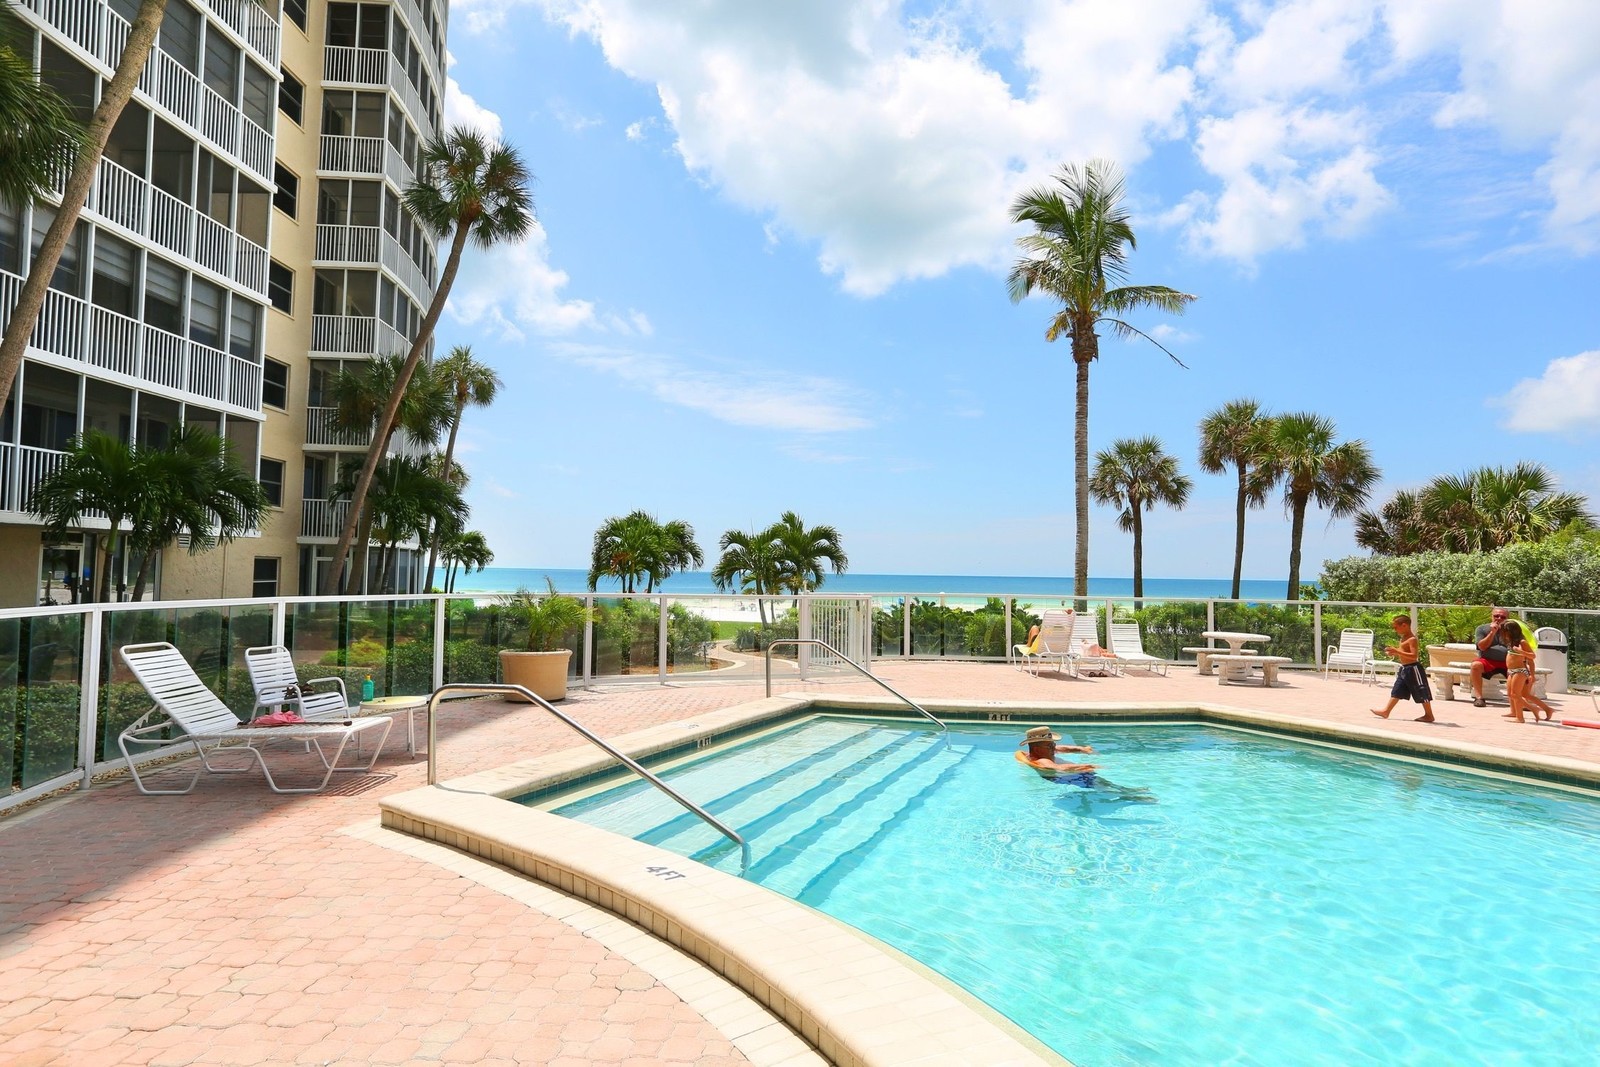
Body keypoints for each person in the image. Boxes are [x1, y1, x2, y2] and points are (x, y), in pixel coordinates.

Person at [1371, 615, 1435, 723]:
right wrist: (1394, 653)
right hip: (1405, 669)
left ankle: (1429, 715)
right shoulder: (1403, 638)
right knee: (1397, 689)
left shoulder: (1412, 639)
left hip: (1413, 669)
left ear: (1404, 625)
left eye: (1396, 627)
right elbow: (1403, 653)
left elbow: (1414, 656)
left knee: (1421, 690)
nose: (1395, 630)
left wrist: (1397, 651)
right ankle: (1386, 711)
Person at [1502, 621, 1556, 723]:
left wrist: (1521, 652)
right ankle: (1547, 709)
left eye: (1505, 631)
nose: (1504, 634)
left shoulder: (1522, 642)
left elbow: (1532, 656)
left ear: (1511, 631)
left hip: (1520, 671)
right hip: (1511, 671)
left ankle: (1525, 714)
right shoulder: (1511, 642)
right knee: (1517, 694)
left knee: (1515, 694)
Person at [1469, 607, 1513, 707]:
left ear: (1507, 618)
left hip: (1508, 661)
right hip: (1488, 660)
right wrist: (1492, 632)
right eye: (1496, 616)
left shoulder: (1512, 630)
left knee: (1522, 670)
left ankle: (1521, 701)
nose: (1499, 618)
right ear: (1491, 616)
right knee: (1475, 665)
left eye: (1503, 617)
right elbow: (1482, 647)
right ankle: (1479, 698)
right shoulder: (1482, 629)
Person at [1016, 725, 1096, 775]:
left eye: (1053, 744)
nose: (1054, 748)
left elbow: (1058, 748)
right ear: (1037, 750)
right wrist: (1088, 766)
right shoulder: (1042, 760)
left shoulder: (1032, 753)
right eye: (1050, 746)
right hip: (1068, 779)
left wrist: (1080, 749)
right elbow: (1058, 767)